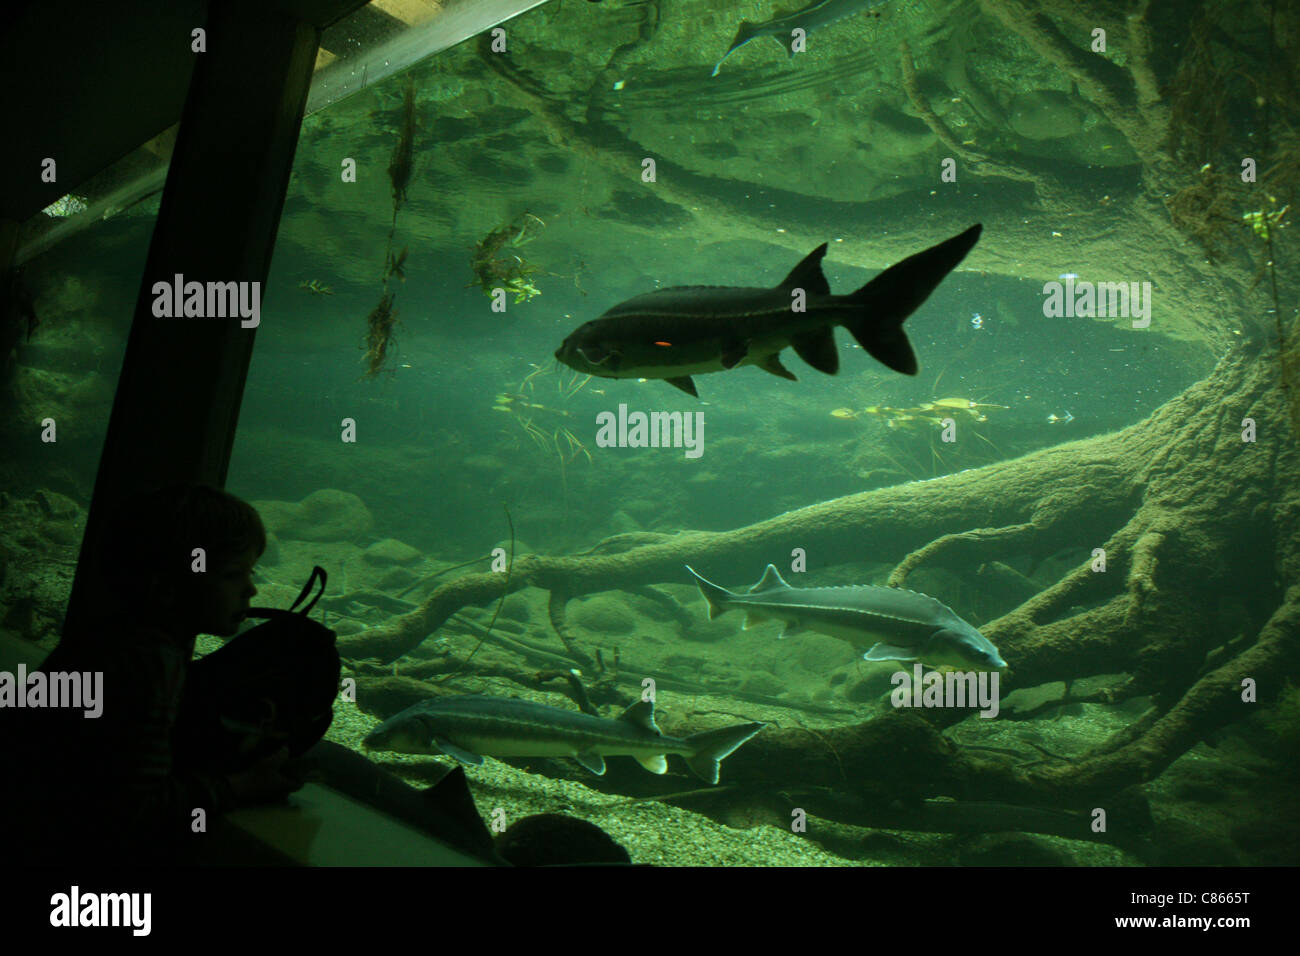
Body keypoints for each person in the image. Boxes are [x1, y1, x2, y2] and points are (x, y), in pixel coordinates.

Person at [4, 483, 337, 865]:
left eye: (249, 572)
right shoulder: (150, 666)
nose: (251, 589)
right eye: (233, 574)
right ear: (165, 587)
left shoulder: (106, 635)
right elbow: (132, 811)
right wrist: (240, 787)